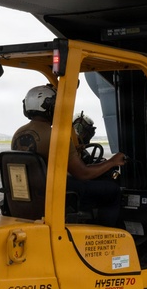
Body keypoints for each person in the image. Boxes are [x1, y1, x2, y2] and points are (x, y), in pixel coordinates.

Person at [11, 86, 126, 225]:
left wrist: (71, 155)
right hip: (57, 194)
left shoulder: (18, 134)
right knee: (112, 190)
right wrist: (112, 162)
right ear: (51, 106)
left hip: (34, 193)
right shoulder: (57, 136)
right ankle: (108, 237)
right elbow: (83, 174)